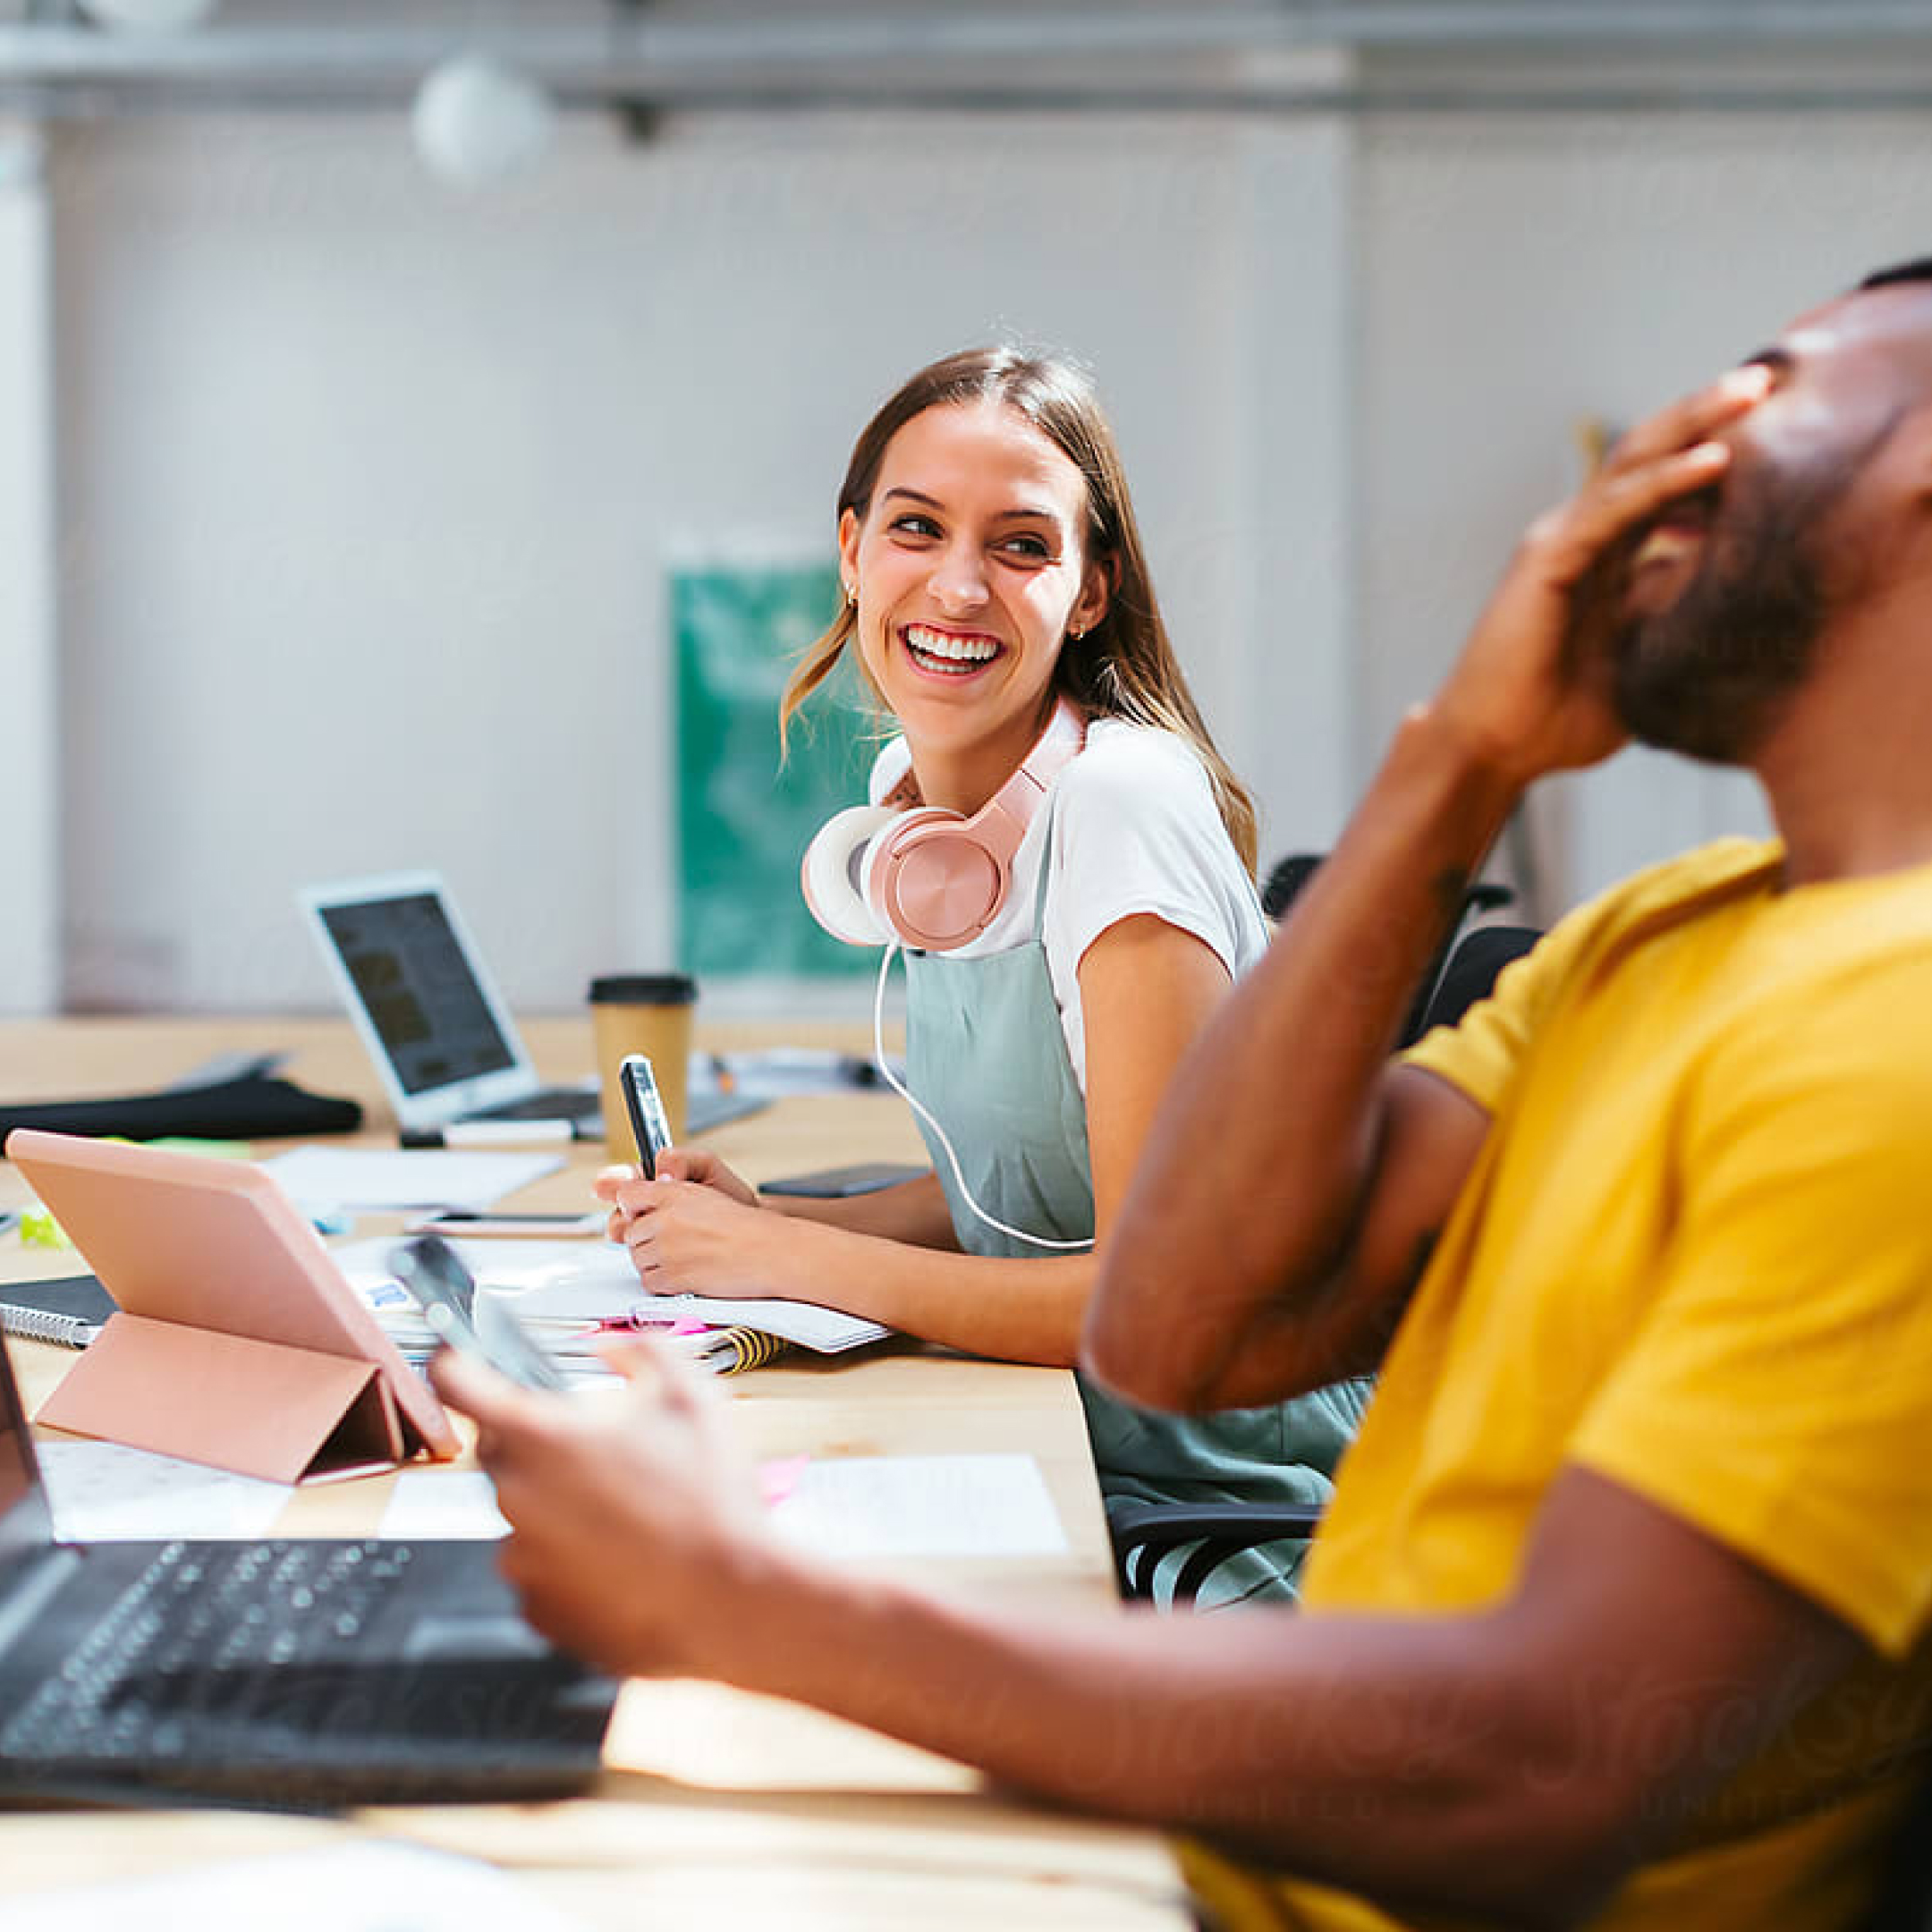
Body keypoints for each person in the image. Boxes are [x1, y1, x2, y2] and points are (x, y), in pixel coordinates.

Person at [435, 261, 1932, 1930]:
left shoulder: (1903, 1039)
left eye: (1768, 391)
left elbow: (1539, 1767)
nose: (1673, 440)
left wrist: (743, 1601)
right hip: (1267, 1792)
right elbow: (1186, 1324)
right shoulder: (1665, 936)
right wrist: (1463, 756)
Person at [595, 346, 1364, 1607]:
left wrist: (789, 1265)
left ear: (1087, 593)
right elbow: (1021, 1198)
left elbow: (1150, 1293)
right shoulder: (937, 828)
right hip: (1075, 1456)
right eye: (915, 528)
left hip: (1231, 1523)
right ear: (851, 553)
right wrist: (772, 1223)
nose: (958, 583)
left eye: (1019, 545)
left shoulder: (1117, 804)